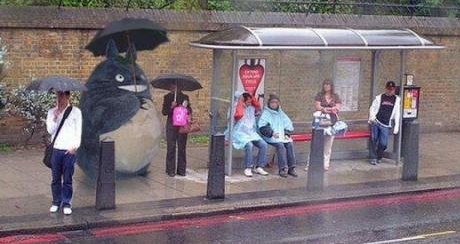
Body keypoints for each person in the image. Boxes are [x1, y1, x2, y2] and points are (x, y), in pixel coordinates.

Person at [46, 91, 82, 215]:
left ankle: (66, 203)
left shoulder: (76, 112)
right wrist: (56, 117)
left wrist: (74, 147)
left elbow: (78, 131)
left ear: (67, 97)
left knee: (67, 178)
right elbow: (50, 130)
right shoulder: (51, 112)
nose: (59, 99)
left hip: (69, 150)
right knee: (55, 178)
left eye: (62, 96)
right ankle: (56, 202)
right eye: (58, 96)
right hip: (56, 149)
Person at [258, 94, 297, 177]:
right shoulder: (266, 113)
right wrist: (271, 133)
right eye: (272, 102)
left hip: (281, 135)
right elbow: (262, 126)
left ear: (278, 103)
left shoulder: (281, 113)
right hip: (271, 136)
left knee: (289, 144)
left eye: (275, 102)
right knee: (280, 146)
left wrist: (287, 133)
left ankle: (291, 168)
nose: (274, 104)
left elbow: (287, 124)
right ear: (269, 103)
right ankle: (282, 168)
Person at [231, 92, 269, 177]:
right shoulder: (235, 107)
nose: (249, 103)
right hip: (239, 132)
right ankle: (248, 167)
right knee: (249, 145)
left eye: (250, 102)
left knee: (263, 145)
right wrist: (240, 107)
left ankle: (259, 166)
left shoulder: (251, 108)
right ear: (242, 101)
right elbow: (233, 120)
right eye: (247, 102)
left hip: (251, 132)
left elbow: (258, 111)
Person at [311, 79, 342, 171]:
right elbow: (317, 106)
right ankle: (312, 163)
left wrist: (330, 109)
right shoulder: (319, 95)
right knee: (316, 143)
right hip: (320, 122)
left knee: (328, 144)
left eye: (328, 84)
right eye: (325, 84)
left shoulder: (335, 96)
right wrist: (326, 109)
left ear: (331, 86)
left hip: (331, 122)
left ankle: (325, 164)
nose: (326, 86)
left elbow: (337, 108)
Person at [162, 84, 192, 177]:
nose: (173, 89)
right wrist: (171, 106)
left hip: (181, 125)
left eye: (175, 87)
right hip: (171, 125)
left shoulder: (185, 97)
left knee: (181, 148)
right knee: (171, 147)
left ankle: (181, 170)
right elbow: (164, 112)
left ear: (180, 88)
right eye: (172, 87)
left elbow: (189, 110)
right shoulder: (167, 97)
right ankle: (170, 169)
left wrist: (185, 107)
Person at [368, 81, 401, 165]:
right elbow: (372, 108)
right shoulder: (379, 97)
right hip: (376, 121)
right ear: (385, 88)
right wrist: (372, 117)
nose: (390, 91)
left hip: (385, 124)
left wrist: (397, 125)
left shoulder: (396, 100)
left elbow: (397, 113)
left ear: (394, 90)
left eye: (392, 89)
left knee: (383, 143)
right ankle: (373, 157)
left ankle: (379, 155)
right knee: (373, 139)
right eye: (389, 89)